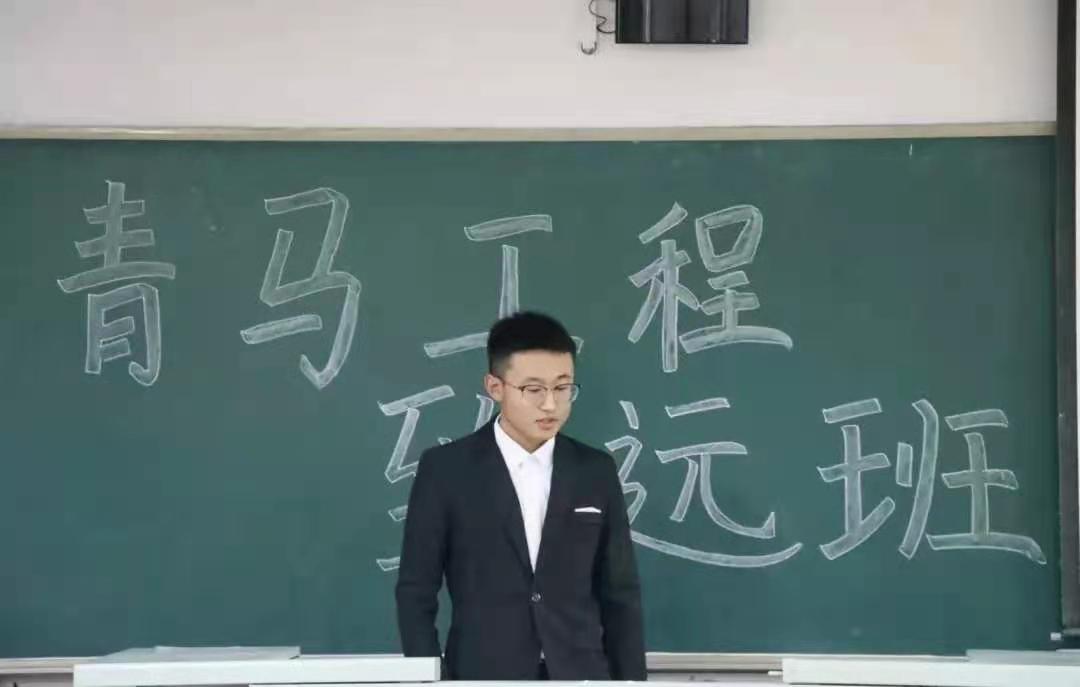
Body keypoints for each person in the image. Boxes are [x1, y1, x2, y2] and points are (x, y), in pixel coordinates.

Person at [396, 311, 647, 681]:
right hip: (483, 676)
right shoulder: (446, 470)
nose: (550, 404)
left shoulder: (595, 470)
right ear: (495, 387)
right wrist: (430, 682)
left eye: (562, 388)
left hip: (581, 675)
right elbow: (416, 592)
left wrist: (631, 683)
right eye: (533, 389)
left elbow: (620, 595)